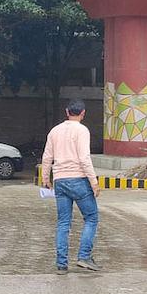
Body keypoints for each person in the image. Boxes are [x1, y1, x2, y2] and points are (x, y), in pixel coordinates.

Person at [42, 100, 100, 274]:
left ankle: (61, 264)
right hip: (79, 180)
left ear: (67, 111)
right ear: (83, 113)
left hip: (60, 180)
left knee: (63, 223)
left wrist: (46, 177)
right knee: (91, 218)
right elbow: (84, 158)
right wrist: (94, 182)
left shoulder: (55, 130)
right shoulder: (82, 130)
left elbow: (47, 156)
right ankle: (84, 256)